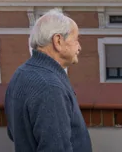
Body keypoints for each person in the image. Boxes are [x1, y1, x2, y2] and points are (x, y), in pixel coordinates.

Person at [5, 9, 92, 152]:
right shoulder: (50, 87)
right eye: (76, 39)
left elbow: (13, 132)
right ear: (58, 41)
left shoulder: (20, 74)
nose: (79, 47)